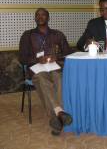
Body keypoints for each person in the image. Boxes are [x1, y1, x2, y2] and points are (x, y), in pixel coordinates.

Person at [19, 8, 73, 136]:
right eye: (37, 15)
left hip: (54, 67)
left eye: (43, 15)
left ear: (48, 18)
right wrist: (37, 59)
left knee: (59, 78)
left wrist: (57, 57)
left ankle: (56, 118)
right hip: (36, 68)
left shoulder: (57, 34)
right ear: (35, 18)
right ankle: (60, 113)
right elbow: (22, 57)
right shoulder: (27, 35)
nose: (40, 17)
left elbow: (68, 53)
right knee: (42, 80)